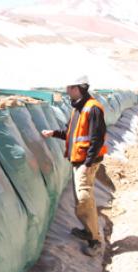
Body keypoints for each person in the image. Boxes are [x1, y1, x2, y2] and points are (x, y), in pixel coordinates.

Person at [41, 75, 108, 257]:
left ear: (78, 88)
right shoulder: (78, 108)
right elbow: (72, 135)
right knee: (80, 200)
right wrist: (53, 133)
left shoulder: (92, 109)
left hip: (86, 162)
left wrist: (87, 164)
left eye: (69, 87)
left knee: (84, 198)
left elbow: (97, 139)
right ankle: (88, 230)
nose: (66, 90)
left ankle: (95, 239)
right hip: (78, 161)